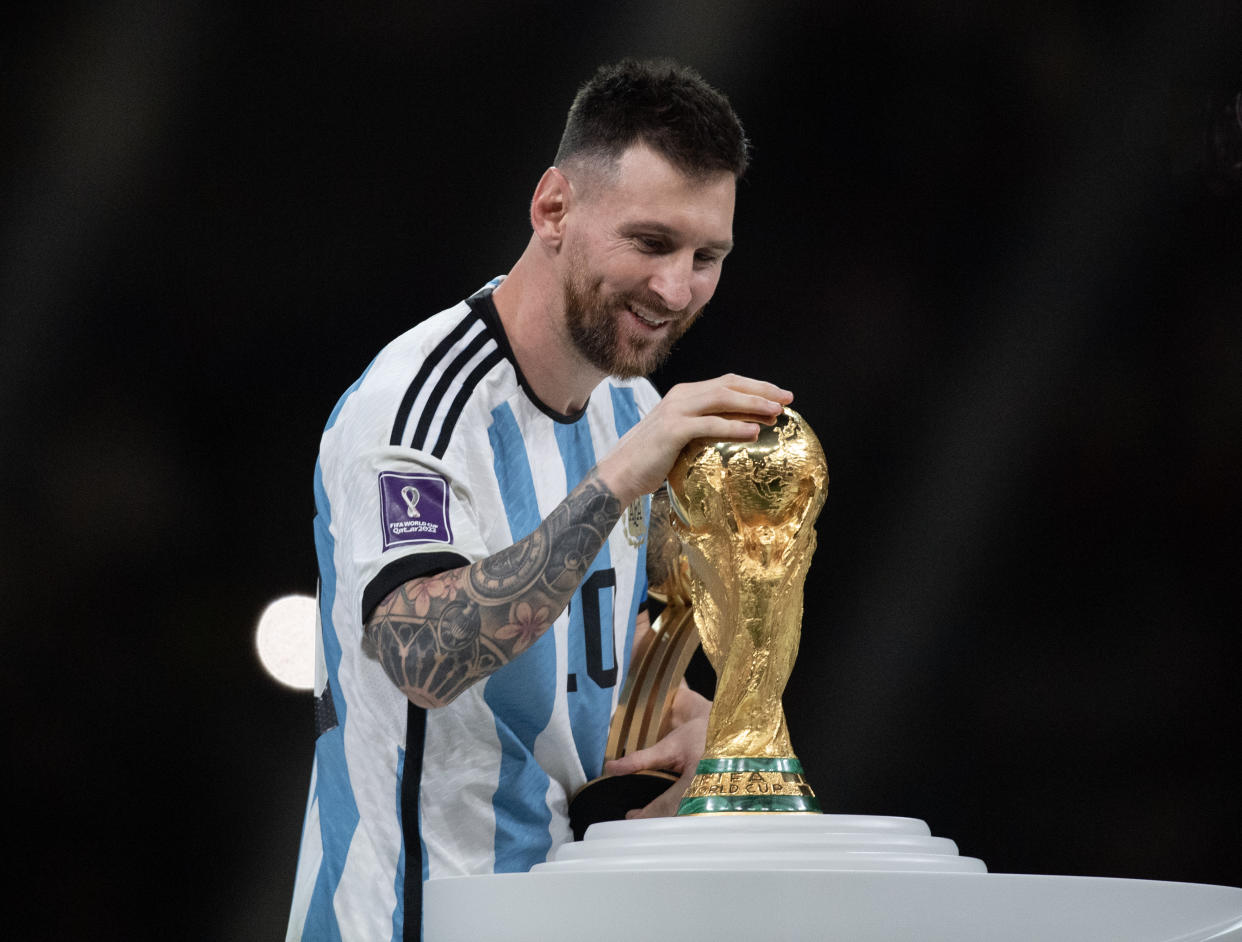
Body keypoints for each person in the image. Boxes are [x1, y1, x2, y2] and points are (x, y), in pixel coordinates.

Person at [286, 58, 794, 941]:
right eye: (649, 243)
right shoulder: (414, 409)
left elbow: (592, 638)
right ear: (553, 209)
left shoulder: (629, 406)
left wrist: (699, 720)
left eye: (705, 257)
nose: (676, 291)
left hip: (549, 917)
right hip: (403, 922)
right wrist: (618, 481)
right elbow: (422, 654)